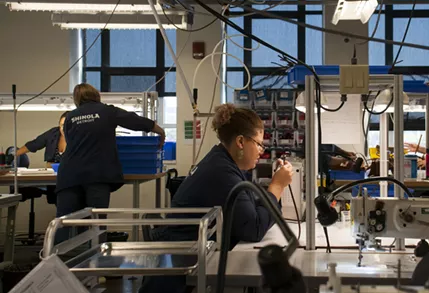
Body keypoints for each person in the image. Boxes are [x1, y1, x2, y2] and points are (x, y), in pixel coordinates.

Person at [139, 103, 293, 293]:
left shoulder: (224, 162)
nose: (262, 150)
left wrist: (272, 187)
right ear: (240, 142)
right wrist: (277, 185)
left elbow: (249, 209)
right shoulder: (222, 172)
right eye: (259, 144)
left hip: (187, 253)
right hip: (176, 268)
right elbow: (253, 228)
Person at [55, 83, 165, 243]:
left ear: (77, 99)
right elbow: (134, 121)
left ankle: (55, 264)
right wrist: (160, 131)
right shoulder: (107, 111)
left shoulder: (70, 117)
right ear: (96, 96)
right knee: (96, 224)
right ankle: (94, 262)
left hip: (69, 176)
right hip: (96, 175)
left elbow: (72, 143)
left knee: (63, 224)